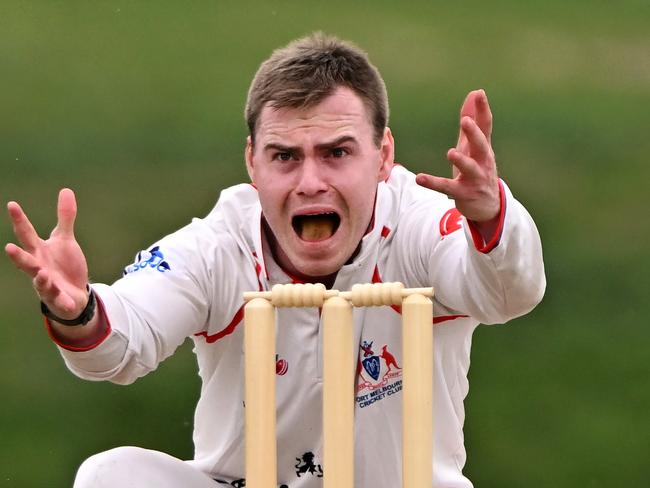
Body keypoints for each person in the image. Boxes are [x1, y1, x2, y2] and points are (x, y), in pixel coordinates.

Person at [5, 32, 545, 488]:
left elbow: (508, 292)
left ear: (383, 156)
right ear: (252, 164)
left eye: (337, 152)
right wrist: (78, 311)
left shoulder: (422, 224)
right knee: (110, 476)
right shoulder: (220, 244)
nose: (311, 183)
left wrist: (492, 217)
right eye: (285, 156)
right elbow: (119, 346)